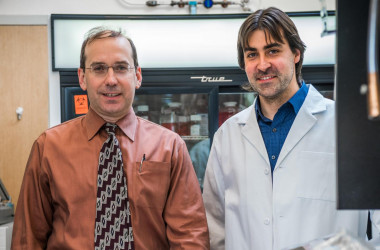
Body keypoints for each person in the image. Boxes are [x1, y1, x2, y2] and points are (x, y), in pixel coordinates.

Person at [11, 26, 210, 249]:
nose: (111, 79)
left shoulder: (170, 147)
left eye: (121, 67)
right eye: (99, 68)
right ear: (82, 78)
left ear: (137, 76)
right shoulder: (48, 147)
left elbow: (190, 237)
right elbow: (28, 239)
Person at [202, 7, 380, 250]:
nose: (262, 64)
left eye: (272, 50)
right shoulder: (228, 135)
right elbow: (215, 227)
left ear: (296, 54)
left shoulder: (348, 125)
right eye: (252, 54)